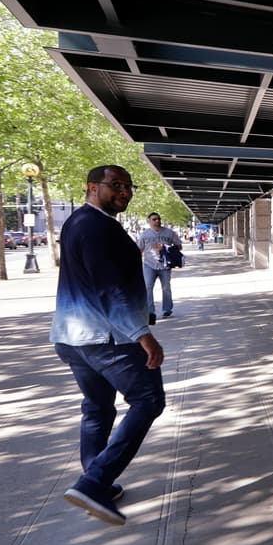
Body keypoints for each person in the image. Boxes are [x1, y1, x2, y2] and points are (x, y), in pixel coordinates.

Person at [51, 165, 166, 526]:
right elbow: (109, 288)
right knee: (148, 400)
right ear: (92, 187)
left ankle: (95, 482)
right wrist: (143, 334)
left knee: (98, 408)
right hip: (108, 338)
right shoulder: (97, 227)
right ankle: (93, 483)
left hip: (74, 337)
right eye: (116, 185)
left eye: (128, 186)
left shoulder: (78, 222)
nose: (124, 192)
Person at [137, 212, 181, 320]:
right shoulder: (144, 234)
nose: (157, 221)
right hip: (149, 265)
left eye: (159, 219)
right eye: (154, 219)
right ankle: (150, 311)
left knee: (166, 287)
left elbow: (179, 246)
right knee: (148, 287)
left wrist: (165, 247)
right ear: (149, 221)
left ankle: (167, 310)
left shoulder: (169, 233)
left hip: (165, 265)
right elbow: (139, 249)